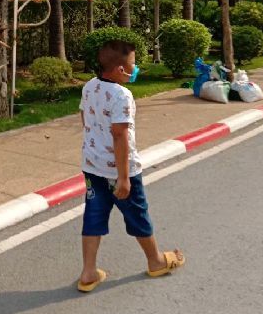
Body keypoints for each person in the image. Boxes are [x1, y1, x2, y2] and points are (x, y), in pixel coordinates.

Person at [77, 39, 185, 292]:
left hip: (93, 167)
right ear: (120, 70)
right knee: (137, 214)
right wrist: (124, 178)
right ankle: (156, 260)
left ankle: (88, 271)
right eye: (133, 65)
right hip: (119, 172)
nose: (135, 69)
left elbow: (84, 117)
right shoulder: (122, 95)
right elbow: (119, 135)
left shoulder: (90, 86)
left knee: (93, 216)